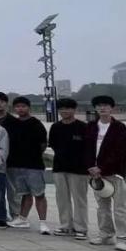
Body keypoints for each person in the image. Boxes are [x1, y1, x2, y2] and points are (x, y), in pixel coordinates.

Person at [86, 95, 126, 250]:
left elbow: (119, 151)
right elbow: (86, 149)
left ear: (112, 108)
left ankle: (124, 238)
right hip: (96, 175)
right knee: (102, 207)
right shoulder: (91, 126)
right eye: (98, 106)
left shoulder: (119, 127)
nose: (102, 108)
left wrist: (102, 167)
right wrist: (91, 167)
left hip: (114, 173)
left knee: (120, 208)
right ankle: (106, 234)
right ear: (95, 108)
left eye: (105, 105)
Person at [5, 97, 50, 234]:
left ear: (29, 108)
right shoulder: (13, 123)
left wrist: (32, 155)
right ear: (14, 108)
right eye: (18, 106)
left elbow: (43, 144)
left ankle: (43, 223)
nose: (20, 109)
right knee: (24, 193)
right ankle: (22, 218)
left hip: (33, 165)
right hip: (16, 164)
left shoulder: (36, 124)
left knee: (39, 194)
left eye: (23, 106)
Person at [47, 98, 89, 238]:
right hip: (59, 167)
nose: (64, 111)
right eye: (62, 109)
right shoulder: (55, 127)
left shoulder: (83, 127)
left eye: (68, 108)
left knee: (79, 199)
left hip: (79, 169)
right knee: (62, 198)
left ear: (74, 110)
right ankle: (65, 225)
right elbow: (53, 144)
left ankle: (81, 228)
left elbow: (88, 148)